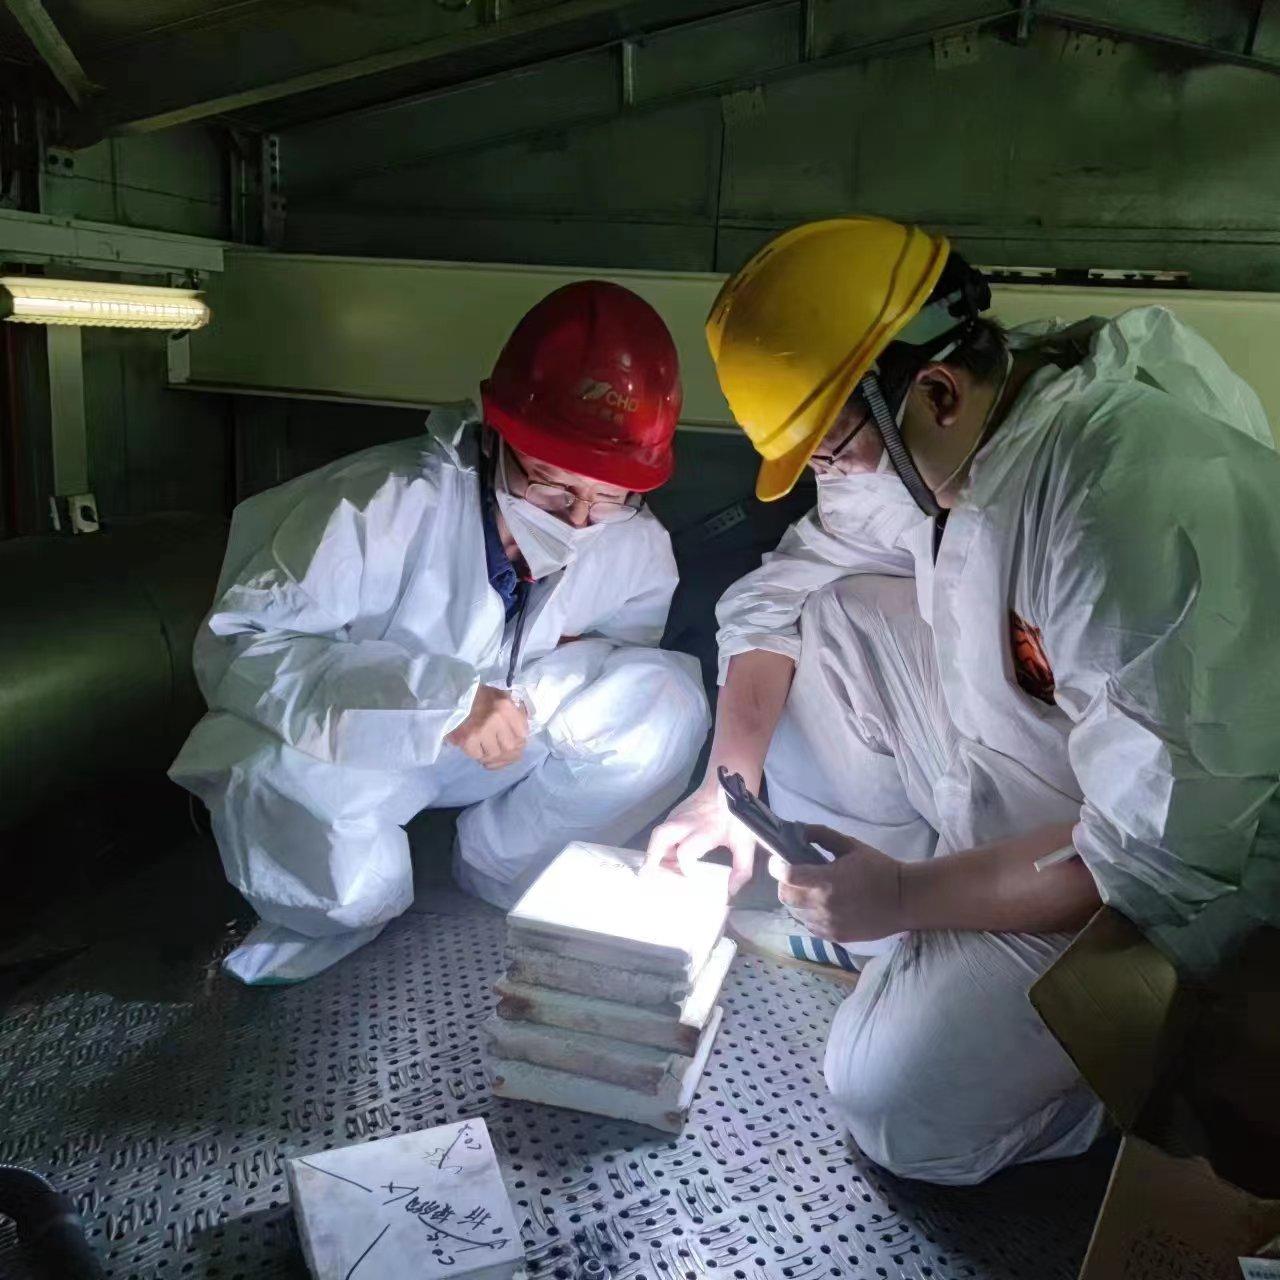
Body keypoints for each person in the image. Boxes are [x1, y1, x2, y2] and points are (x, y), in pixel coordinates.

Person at [647, 216, 1280, 1184]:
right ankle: (919, 928)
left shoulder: (1123, 502)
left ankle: (1098, 1083)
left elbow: (1150, 858)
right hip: (1046, 781)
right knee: (835, 619)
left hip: (1162, 883)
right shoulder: (954, 430)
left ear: (934, 391)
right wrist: (722, 788)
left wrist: (905, 895)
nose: (829, 478)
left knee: (884, 1099)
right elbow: (778, 596)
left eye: (831, 452)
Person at [173, 280, 710, 985]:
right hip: (364, 744)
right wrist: (442, 702)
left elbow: (622, 649)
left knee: (664, 700)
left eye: (609, 494)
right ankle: (355, 905)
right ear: (496, 436)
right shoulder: (380, 501)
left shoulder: (631, 538)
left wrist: (528, 692)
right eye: (552, 485)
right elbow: (244, 647)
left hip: (509, 744)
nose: (579, 519)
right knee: (277, 784)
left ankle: (504, 866)